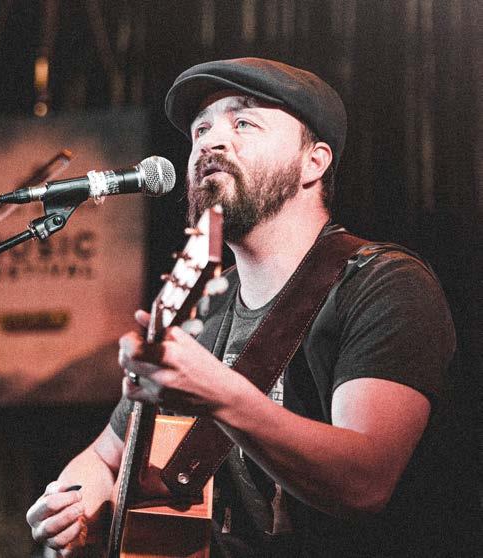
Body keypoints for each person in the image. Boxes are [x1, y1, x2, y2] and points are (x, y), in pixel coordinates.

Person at [26, 58, 467, 557]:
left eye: (243, 123)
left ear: (314, 162)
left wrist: (218, 392)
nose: (211, 142)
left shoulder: (382, 285)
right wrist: (68, 507)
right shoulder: (197, 309)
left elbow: (365, 481)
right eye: (201, 130)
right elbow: (106, 458)